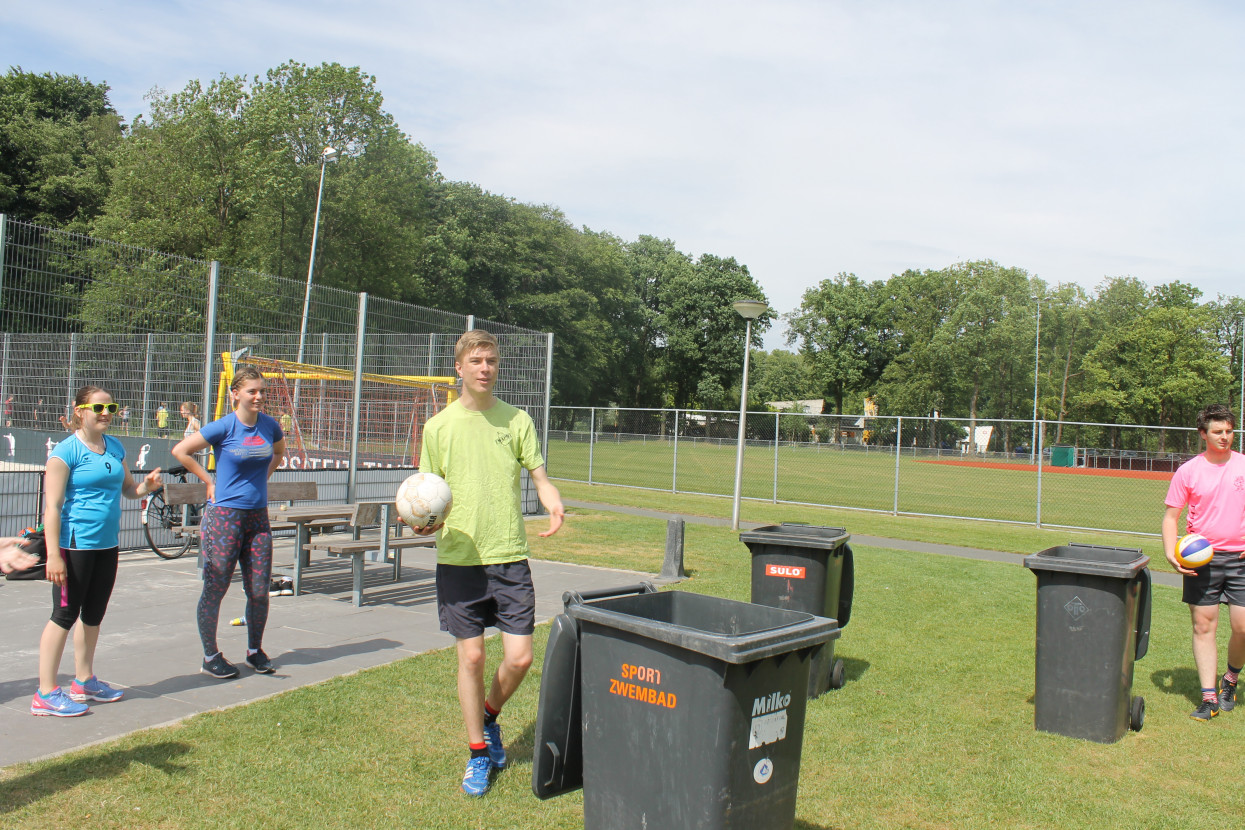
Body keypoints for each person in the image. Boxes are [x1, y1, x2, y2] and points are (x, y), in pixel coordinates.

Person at [416, 329, 565, 797]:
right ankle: (478, 753)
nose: (485, 368)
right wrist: (422, 522)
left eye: (492, 361)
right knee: (473, 655)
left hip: (509, 556)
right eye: (476, 361)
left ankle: (489, 715)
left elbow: (539, 477)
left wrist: (553, 501)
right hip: (459, 557)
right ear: (458, 367)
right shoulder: (438, 427)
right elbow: (425, 494)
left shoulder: (517, 420)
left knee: (520, 658)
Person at [32, 386, 162, 717]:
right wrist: (54, 555)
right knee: (64, 615)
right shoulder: (65, 452)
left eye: (111, 407)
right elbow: (52, 507)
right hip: (74, 545)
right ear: (80, 411)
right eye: (99, 407)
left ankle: (84, 680)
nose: (106, 413)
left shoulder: (114, 447)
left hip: (107, 545)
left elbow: (130, 491)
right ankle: (45, 693)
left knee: (93, 614)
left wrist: (147, 486)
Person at [172, 366, 285, 679]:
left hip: (257, 518)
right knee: (216, 587)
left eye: (262, 390)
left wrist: (264, 477)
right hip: (225, 518)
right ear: (236, 394)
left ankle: (254, 651)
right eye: (252, 391)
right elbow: (181, 451)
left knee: (260, 590)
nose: (259, 396)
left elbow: (278, 452)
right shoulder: (223, 427)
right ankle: (211, 656)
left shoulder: (270, 426)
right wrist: (208, 480)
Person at [1162, 403, 1245, 722]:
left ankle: (1231, 680)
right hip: (1203, 561)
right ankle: (1209, 697)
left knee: (1242, 627)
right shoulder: (1189, 471)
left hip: (1239, 559)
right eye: (1218, 432)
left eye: (1229, 431)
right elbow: (1171, 517)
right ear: (1203, 434)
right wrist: (1171, 552)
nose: (1225, 437)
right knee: (1203, 626)